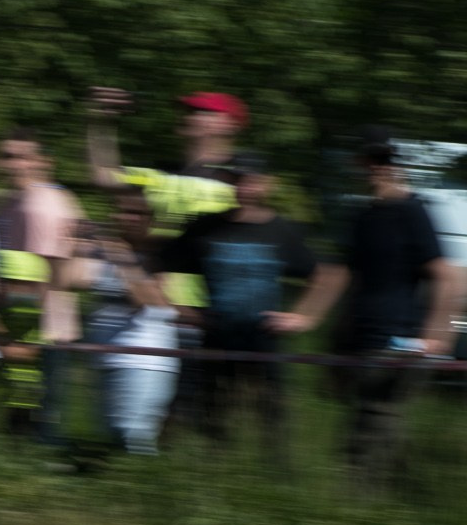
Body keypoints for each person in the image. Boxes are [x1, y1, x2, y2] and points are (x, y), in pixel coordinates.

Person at [164, 154, 346, 451]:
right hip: (217, 339)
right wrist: (184, 312)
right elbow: (157, 264)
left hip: (264, 341)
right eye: (236, 180)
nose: (242, 188)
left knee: (272, 424)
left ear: (266, 184)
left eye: (249, 180)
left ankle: (274, 485)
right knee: (213, 420)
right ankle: (213, 479)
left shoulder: (282, 230)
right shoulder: (206, 228)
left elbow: (330, 274)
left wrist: (304, 317)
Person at [330, 141, 462, 480]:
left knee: (376, 419)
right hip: (363, 335)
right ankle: (390, 491)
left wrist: (435, 336)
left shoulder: (413, 212)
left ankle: (362, 501)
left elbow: (446, 277)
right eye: (371, 161)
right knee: (370, 419)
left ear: (397, 166)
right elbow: (351, 278)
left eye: (386, 161)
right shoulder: (363, 216)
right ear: (359, 164)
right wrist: (338, 334)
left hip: (401, 335)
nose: (378, 168)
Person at [57, 187, 180, 454]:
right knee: (111, 435)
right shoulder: (103, 251)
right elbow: (67, 281)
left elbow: (147, 299)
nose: (129, 218)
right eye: (123, 211)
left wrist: (117, 252)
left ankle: (144, 489)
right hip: (105, 358)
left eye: (137, 213)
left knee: (133, 436)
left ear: (151, 218)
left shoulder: (158, 252)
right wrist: (75, 244)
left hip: (144, 359)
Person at [0, 128, 84, 440]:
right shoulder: (10, 201)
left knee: (42, 422)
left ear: (42, 162)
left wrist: (31, 340)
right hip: (19, 326)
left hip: (41, 331)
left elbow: (55, 275)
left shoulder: (41, 205)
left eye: (20, 157)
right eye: (5, 156)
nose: (10, 163)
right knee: (18, 413)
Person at [85, 87, 244, 233]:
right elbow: (105, 176)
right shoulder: (161, 175)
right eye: (187, 110)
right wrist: (100, 118)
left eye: (198, 111)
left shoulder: (241, 177)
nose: (186, 116)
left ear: (227, 124)